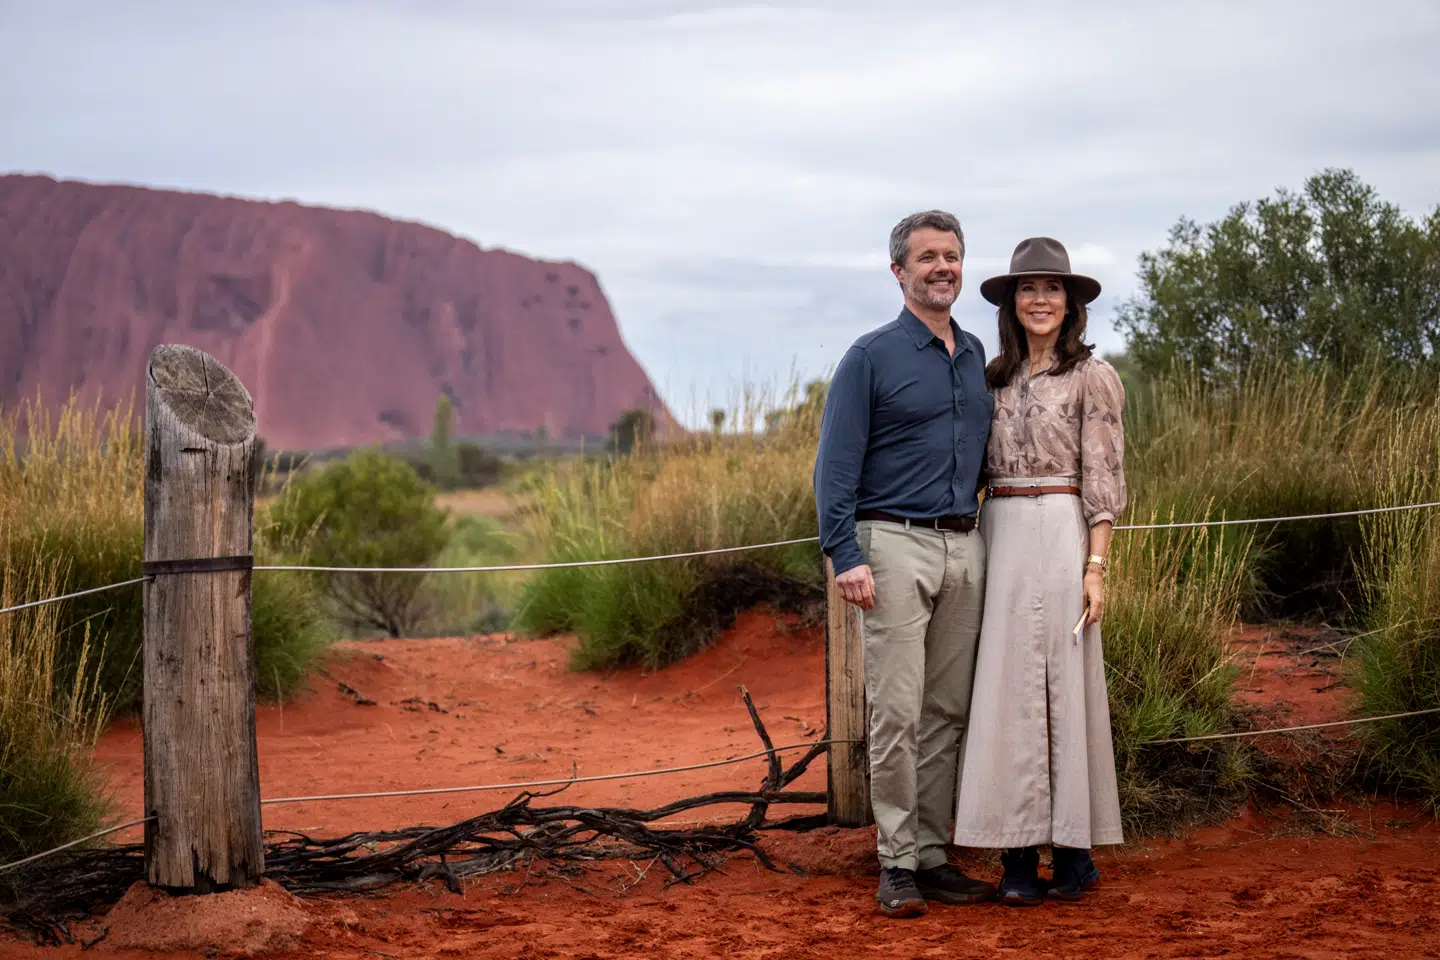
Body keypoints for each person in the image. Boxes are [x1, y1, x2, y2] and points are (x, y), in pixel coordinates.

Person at [813, 210, 996, 918]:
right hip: (892, 546)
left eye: (951, 255)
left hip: (965, 544)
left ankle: (929, 852)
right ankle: (893, 861)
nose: (943, 267)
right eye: (927, 258)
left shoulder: (976, 353)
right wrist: (843, 552)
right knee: (895, 712)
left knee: (947, 710)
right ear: (899, 271)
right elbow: (835, 465)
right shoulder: (870, 356)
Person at [951, 236, 1127, 905]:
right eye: (1028, 288)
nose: (1041, 299)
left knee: (1063, 684)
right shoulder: (989, 379)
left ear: (1071, 302)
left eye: (1054, 288)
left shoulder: (1092, 377)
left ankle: (1075, 853)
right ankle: (1017, 858)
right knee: (1006, 690)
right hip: (999, 529)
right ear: (1012, 302)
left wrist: (1096, 565)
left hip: (1062, 528)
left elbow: (1105, 479)